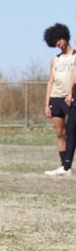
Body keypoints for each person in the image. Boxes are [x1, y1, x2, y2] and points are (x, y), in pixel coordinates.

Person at [43, 23, 76, 177]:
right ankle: (65, 166)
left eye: (59, 39)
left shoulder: (75, 56)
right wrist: (46, 104)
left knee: (71, 130)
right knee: (60, 132)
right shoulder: (54, 60)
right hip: (55, 98)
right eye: (55, 41)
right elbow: (50, 81)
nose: (58, 43)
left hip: (70, 99)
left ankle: (67, 164)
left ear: (66, 37)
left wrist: (70, 93)